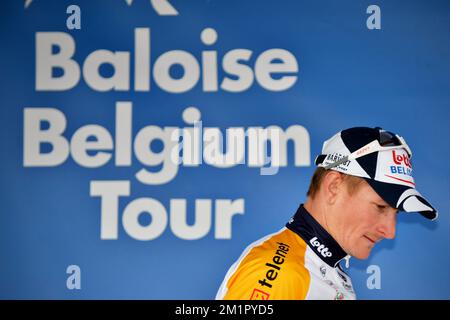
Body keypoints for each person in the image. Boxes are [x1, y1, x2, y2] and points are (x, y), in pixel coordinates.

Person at [216, 126, 438, 300]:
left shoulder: (321, 266)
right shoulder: (281, 273)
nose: (390, 232)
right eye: (380, 207)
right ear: (334, 187)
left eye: (395, 213)